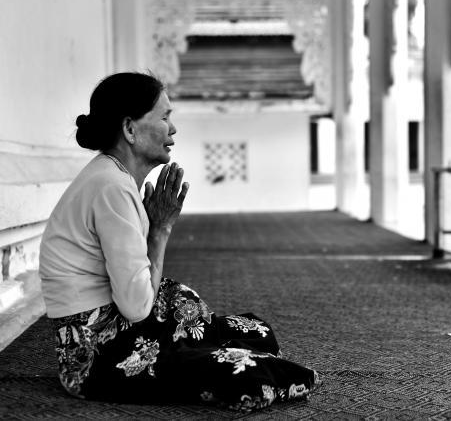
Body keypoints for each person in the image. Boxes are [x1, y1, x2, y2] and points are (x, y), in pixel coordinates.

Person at [39, 72, 320, 412]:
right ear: (130, 129)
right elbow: (136, 307)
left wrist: (150, 232)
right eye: (164, 117)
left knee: (256, 332)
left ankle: (209, 351)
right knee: (247, 376)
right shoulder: (111, 187)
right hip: (97, 357)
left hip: (120, 325)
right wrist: (159, 231)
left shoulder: (111, 178)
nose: (172, 129)